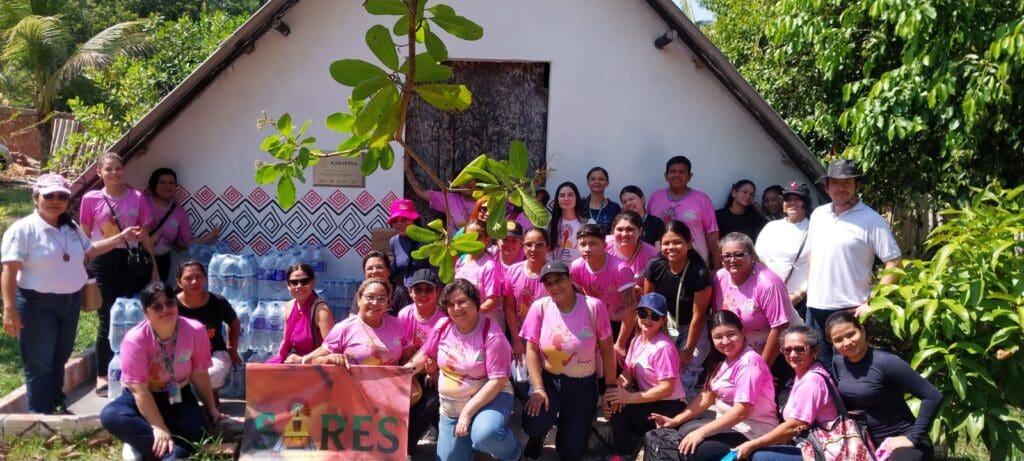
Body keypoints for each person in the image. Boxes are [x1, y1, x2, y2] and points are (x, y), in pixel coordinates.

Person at [1, 173, 145, 414]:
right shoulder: (23, 229)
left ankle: (57, 406)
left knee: (59, 358)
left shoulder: (70, 226)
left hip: (69, 302)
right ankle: (39, 414)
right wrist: (9, 309)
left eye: (62, 196)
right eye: (49, 196)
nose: (55, 201)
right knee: (39, 362)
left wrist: (121, 237)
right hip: (37, 304)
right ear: (36, 198)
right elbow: (9, 270)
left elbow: (90, 250)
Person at [100, 282, 224, 461]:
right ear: (145, 313)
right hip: (143, 397)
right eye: (157, 306)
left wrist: (211, 407)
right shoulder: (135, 340)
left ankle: (148, 448)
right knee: (111, 415)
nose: (165, 309)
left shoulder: (195, 330)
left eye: (170, 303)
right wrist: (158, 427)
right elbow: (139, 390)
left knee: (197, 431)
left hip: (177, 394)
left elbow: (199, 373)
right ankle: (169, 452)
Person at [404, 279, 523, 461]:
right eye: (451, 304)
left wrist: (467, 414)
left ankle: (513, 453)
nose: (456, 308)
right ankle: (474, 444)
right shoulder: (443, 326)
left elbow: (498, 380)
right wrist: (400, 374)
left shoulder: (492, 334)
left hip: (488, 400)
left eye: (462, 301)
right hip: (451, 408)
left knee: (486, 434)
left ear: (475, 302)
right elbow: (424, 354)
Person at [644, 311, 777, 461]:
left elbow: (742, 411)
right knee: (675, 433)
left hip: (752, 432)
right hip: (729, 426)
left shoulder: (750, 362)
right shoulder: (723, 360)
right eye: (718, 337)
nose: (725, 341)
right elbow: (706, 396)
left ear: (742, 332)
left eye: (731, 334)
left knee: (686, 450)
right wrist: (676, 420)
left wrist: (701, 432)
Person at [806, 159, 901, 367]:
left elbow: (894, 261)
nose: (841, 188)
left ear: (857, 186)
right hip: (816, 307)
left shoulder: (871, 219)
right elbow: (813, 254)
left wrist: (873, 302)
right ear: (827, 186)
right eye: (835, 183)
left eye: (847, 183)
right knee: (819, 368)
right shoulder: (818, 215)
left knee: (851, 371)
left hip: (849, 308)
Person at [519, 260, 617, 460]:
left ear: (570, 278)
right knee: (534, 421)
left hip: (582, 384)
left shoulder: (593, 306)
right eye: (549, 284)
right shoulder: (540, 307)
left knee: (570, 453)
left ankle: (570, 429)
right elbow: (531, 349)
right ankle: (538, 437)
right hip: (550, 381)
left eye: (559, 280)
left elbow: (607, 350)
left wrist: (611, 387)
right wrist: (538, 387)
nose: (555, 287)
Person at [80, 152, 158, 397]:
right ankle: (103, 374)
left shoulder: (137, 198)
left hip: (132, 262)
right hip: (102, 261)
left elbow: (144, 234)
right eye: (109, 169)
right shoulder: (90, 199)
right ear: (100, 172)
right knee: (107, 316)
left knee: (133, 315)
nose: (114, 173)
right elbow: (83, 237)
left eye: (118, 168)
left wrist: (154, 267)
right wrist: (83, 267)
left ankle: (132, 372)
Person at [826, 311, 943, 461]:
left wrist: (913, 437)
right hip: (863, 440)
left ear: (862, 330)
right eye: (838, 339)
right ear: (832, 343)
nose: (847, 342)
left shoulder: (887, 362)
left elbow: (933, 396)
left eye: (851, 334)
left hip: (902, 440)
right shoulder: (838, 363)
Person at [732, 325, 838, 460]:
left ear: (815, 351)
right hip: (810, 445)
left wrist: (753, 444)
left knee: (758, 456)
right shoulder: (806, 372)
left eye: (800, 349)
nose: (793, 355)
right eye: (787, 350)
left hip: (824, 450)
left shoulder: (812, 381)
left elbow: (794, 426)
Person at [605, 293, 686, 457]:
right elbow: (627, 374)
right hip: (648, 400)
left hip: (669, 405)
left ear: (662, 320)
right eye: (643, 314)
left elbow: (666, 389)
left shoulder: (664, 348)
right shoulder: (637, 340)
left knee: (621, 407)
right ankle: (628, 447)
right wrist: (613, 394)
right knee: (615, 403)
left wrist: (627, 398)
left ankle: (623, 453)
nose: (647, 319)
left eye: (654, 316)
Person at [643, 220, 713, 398]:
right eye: (666, 243)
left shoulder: (699, 273)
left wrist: (688, 351)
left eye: (677, 242)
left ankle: (681, 416)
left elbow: (698, 317)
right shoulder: (655, 266)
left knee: (684, 377)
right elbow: (648, 304)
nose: (671, 247)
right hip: (664, 328)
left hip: (692, 330)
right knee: (661, 374)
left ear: (689, 244)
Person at [713, 232, 792, 379]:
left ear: (752, 255)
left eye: (739, 254)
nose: (732, 260)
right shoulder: (719, 278)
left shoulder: (768, 283)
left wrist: (761, 369)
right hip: (735, 357)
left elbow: (780, 327)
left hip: (772, 358)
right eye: (727, 256)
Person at [397, 269, 446, 457]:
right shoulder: (404, 315)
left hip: (438, 373)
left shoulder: (444, 318)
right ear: (410, 292)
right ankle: (405, 447)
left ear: (437, 292)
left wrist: (434, 371)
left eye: (428, 289)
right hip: (409, 371)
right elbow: (401, 351)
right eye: (418, 289)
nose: (423, 294)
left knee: (430, 403)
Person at [570, 223, 637, 361]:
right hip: (596, 323)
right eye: (583, 244)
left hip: (621, 326)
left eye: (593, 244)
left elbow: (630, 311)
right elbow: (580, 299)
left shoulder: (620, 269)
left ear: (604, 246)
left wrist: (620, 344)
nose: (587, 249)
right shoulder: (576, 266)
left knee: (620, 368)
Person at [309, 277, 412, 367]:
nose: (375, 303)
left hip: (391, 387)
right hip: (355, 388)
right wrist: (329, 358)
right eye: (370, 297)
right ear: (359, 299)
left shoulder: (396, 325)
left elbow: (406, 358)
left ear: (387, 304)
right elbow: (315, 360)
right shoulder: (343, 328)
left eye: (381, 299)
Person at [174, 260, 241, 395]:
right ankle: (174, 406)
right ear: (179, 282)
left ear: (205, 279)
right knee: (169, 376)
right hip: (181, 354)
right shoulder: (171, 306)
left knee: (212, 375)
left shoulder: (217, 301)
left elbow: (233, 322)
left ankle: (212, 405)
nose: (194, 282)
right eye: (188, 278)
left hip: (214, 352)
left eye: (198, 277)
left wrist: (232, 349)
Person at [145, 168, 219, 283]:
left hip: (162, 262)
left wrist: (208, 238)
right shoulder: (142, 201)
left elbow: (183, 243)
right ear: (154, 184)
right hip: (140, 259)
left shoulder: (179, 213)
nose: (167, 186)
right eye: (162, 182)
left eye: (171, 183)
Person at [647, 155, 721, 269]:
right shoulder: (655, 197)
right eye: (673, 171)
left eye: (682, 172)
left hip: (695, 264)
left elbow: (712, 234)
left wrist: (717, 265)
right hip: (662, 264)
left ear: (690, 176)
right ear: (666, 176)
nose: (677, 175)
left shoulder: (701, 199)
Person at [755, 182, 812, 319]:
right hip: (767, 296)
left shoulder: (814, 229)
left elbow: (818, 269)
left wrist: (799, 295)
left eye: (797, 199)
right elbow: (757, 259)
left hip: (796, 300)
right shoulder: (771, 227)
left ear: (806, 202)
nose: (792, 203)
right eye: (788, 199)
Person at [266, 264, 334, 364]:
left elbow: (331, 346)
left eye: (304, 281)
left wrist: (303, 360)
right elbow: (286, 341)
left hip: (315, 366)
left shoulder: (321, 310)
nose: (299, 286)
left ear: (312, 282)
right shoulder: (289, 307)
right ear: (288, 286)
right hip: (294, 365)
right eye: (294, 282)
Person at [502, 227, 549, 366]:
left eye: (539, 245)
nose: (533, 249)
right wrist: (516, 341)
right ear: (523, 247)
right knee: (521, 381)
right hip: (521, 336)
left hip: (547, 336)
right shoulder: (513, 271)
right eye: (529, 245)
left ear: (548, 247)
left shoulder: (555, 273)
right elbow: (509, 308)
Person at [404, 155, 477, 233]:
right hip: (455, 244)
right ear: (457, 185)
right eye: (463, 181)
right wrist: (407, 170)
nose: (467, 183)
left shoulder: (486, 200)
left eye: (470, 179)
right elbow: (421, 192)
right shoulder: (450, 199)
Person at [454, 220, 504, 330]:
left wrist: (470, 314)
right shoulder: (461, 261)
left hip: (488, 326)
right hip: (466, 323)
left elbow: (492, 301)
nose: (471, 241)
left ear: (487, 239)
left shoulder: (489, 266)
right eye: (467, 237)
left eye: (476, 237)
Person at [607, 211, 659, 289]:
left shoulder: (653, 255)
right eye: (620, 229)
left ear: (640, 231)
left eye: (629, 229)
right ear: (613, 231)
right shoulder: (603, 246)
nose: (624, 234)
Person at [387, 198, 431, 288]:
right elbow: (396, 268)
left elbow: (436, 271)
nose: (399, 224)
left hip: (426, 291)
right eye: (395, 221)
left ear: (414, 220)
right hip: (406, 291)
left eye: (404, 219)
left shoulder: (428, 239)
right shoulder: (394, 242)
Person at [356, 251, 412, 315]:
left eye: (379, 267)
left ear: (388, 271)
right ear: (365, 274)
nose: (374, 271)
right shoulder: (362, 292)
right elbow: (353, 317)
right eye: (370, 268)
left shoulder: (401, 293)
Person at [546, 181, 586, 263]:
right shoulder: (550, 223)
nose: (566, 198)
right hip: (555, 273)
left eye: (570, 195)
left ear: (577, 198)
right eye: (562, 195)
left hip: (579, 273)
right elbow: (547, 252)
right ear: (557, 199)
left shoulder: (588, 224)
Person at [583, 166, 622, 231]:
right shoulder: (580, 205)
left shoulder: (614, 207)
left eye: (601, 179)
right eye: (593, 179)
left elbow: (617, 231)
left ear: (607, 183)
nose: (597, 181)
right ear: (588, 182)